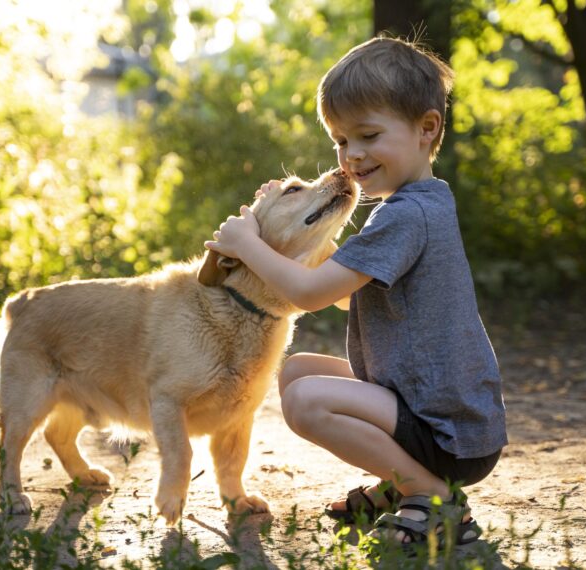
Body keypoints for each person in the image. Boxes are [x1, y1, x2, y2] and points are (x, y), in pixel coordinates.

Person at [204, 36, 507, 554]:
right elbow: (351, 295)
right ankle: (402, 483)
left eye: (368, 135)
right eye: (341, 141)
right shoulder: (417, 205)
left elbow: (313, 295)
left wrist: (250, 245)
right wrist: (294, 226)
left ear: (426, 128)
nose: (353, 155)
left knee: (303, 400)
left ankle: (431, 494)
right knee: (298, 369)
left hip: (448, 432)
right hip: (436, 406)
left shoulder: (407, 215)